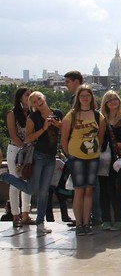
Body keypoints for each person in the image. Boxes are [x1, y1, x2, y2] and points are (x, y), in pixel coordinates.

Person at [0, 91, 63, 235]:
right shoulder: (33, 117)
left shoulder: (57, 112)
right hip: (39, 156)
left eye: (39, 98)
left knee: (44, 192)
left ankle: (40, 223)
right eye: (34, 101)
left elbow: (66, 129)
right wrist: (44, 128)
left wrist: (58, 124)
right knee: (30, 189)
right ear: (32, 105)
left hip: (51, 157)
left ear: (44, 98)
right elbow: (28, 138)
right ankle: (6, 176)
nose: (38, 102)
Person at [60, 85, 106, 236]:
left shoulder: (98, 116)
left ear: (92, 97)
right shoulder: (71, 116)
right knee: (79, 190)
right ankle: (79, 223)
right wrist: (70, 155)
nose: (85, 98)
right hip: (76, 157)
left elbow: (100, 136)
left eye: (88, 95)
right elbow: (64, 139)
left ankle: (87, 223)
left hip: (92, 157)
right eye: (82, 96)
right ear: (78, 98)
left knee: (89, 190)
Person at [98, 90, 121, 231]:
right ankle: (106, 219)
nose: (113, 102)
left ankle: (119, 218)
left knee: (117, 188)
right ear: (105, 103)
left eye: (115, 99)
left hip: (120, 158)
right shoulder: (100, 119)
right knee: (104, 189)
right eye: (109, 100)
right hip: (104, 157)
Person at [5, 87, 34, 227]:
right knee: (15, 183)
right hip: (16, 150)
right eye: (27, 95)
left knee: (27, 182)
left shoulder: (32, 113)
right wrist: (23, 147)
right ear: (20, 97)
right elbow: (13, 134)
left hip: (28, 151)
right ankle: (15, 215)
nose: (29, 97)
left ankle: (25, 214)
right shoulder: (12, 113)